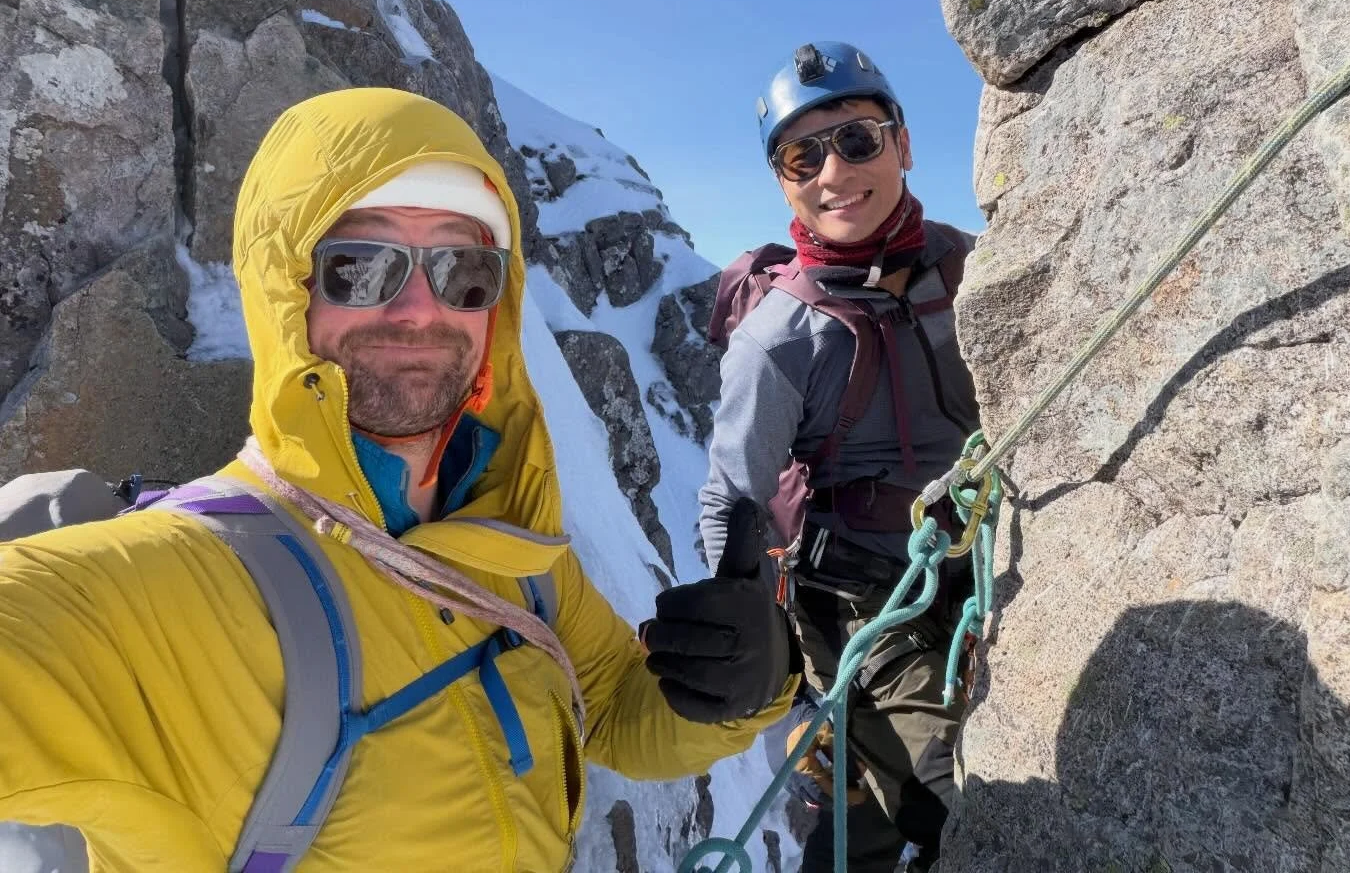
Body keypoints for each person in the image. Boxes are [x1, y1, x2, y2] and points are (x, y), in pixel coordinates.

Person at [0, 88, 798, 873]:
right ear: (284, 290)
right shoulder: (166, 592)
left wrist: (746, 683)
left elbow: (618, 712)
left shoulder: (514, 555)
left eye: (464, 269)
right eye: (358, 266)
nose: (420, 308)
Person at [699, 42, 982, 873]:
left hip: (981, 563)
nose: (833, 173)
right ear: (782, 181)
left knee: (870, 814)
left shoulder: (973, 267)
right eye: (802, 157)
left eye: (857, 141)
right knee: (958, 797)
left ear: (903, 144)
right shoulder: (780, 339)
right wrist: (756, 637)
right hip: (858, 599)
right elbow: (731, 502)